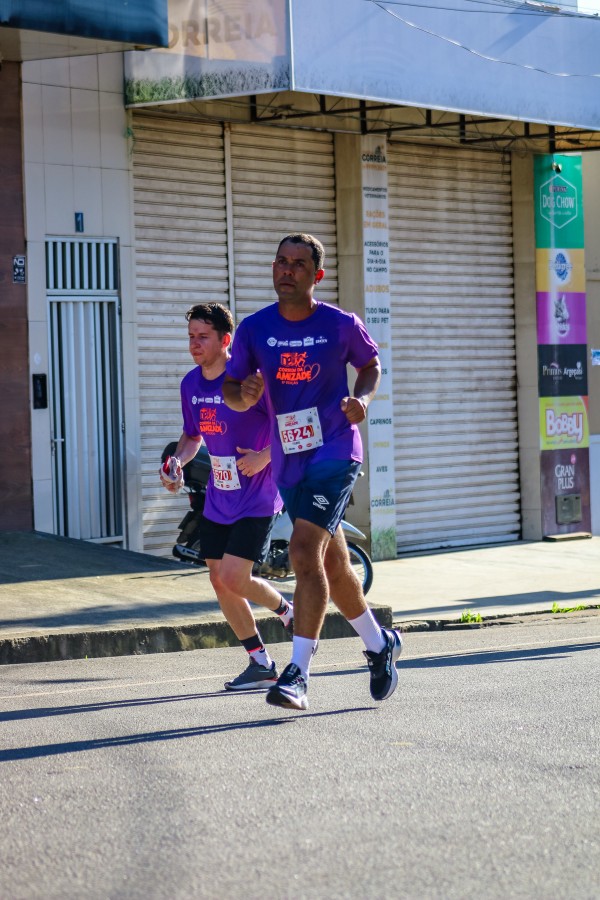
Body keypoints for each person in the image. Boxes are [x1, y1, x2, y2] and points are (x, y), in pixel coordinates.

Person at [223, 233, 402, 711]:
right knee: (332, 564)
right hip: (288, 458)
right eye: (281, 261)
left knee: (303, 551)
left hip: (335, 451)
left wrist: (360, 400)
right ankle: (379, 644)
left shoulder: (340, 324)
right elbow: (233, 391)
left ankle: (297, 673)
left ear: (316, 275)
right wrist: (247, 393)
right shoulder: (254, 329)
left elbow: (370, 364)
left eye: (298, 264)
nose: (287, 270)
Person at [159, 302, 293, 691]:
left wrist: (265, 455)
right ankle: (260, 662)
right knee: (220, 580)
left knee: (236, 576)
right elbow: (192, 436)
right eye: (191, 338)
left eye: (203, 337)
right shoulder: (191, 384)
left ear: (226, 340)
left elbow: (292, 422)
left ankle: (288, 611)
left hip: (259, 494)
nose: (194, 345)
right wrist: (177, 463)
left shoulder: (252, 380)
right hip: (220, 495)